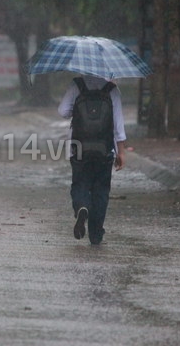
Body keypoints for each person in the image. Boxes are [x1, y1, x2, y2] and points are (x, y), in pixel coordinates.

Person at [57, 75, 126, 245]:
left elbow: (63, 111)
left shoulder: (77, 85)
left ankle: (82, 207)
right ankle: (96, 234)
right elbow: (118, 125)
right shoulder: (112, 90)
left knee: (80, 183)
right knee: (101, 190)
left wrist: (80, 111)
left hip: (79, 148)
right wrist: (121, 152)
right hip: (104, 149)